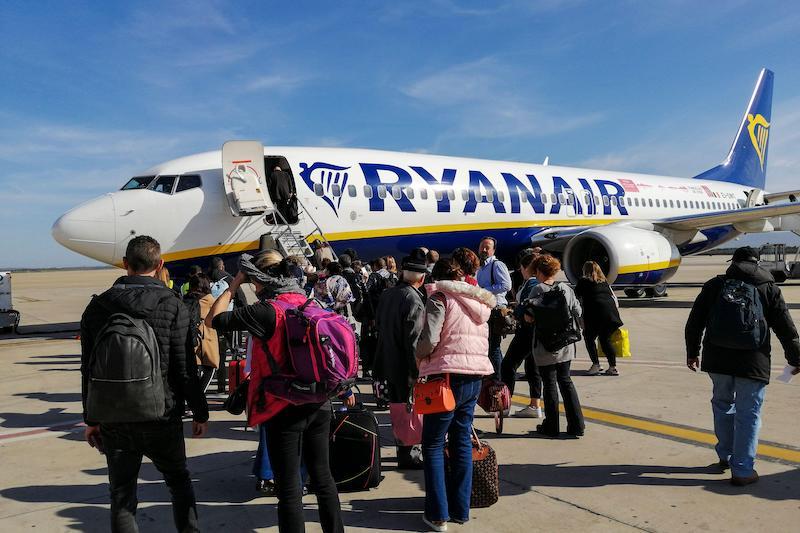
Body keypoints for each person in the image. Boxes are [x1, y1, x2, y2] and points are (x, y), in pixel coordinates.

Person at [207, 250, 351, 533]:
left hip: (282, 406)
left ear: (260, 279)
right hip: (319, 402)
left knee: (288, 488)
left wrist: (235, 282)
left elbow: (214, 318)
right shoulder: (311, 302)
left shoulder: (266, 311)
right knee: (323, 478)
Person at [80, 235, 209, 532]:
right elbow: (184, 367)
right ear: (160, 264)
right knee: (178, 483)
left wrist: (92, 418)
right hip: (161, 414)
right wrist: (200, 412)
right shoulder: (173, 305)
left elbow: (88, 369)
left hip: (115, 418)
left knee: (122, 496)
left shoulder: (98, 307)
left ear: (126, 265)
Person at [685, 246, 800, 486]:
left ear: (733, 262)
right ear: (757, 262)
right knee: (749, 414)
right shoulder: (769, 287)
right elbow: (786, 329)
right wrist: (795, 358)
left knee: (722, 406)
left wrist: (692, 352)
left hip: (718, 358)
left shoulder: (715, 286)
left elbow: (695, 321)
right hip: (753, 360)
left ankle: (725, 456)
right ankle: (743, 470)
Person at [416, 258, 495, 531]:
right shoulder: (479, 303)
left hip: (446, 375)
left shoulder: (440, 297)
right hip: (474, 375)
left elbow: (430, 339)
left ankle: (438, 514)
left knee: (434, 443)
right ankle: (460, 508)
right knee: (461, 439)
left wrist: (418, 356)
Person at [373, 248, 429, 469]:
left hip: (387, 360)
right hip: (405, 364)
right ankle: (410, 454)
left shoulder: (388, 295)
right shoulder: (413, 300)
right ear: (422, 278)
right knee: (411, 410)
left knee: (397, 409)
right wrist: (418, 370)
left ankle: (402, 451)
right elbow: (414, 339)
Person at [525, 254, 585, 438]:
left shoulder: (537, 290)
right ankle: (577, 425)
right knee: (566, 382)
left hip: (545, 344)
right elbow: (578, 311)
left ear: (539, 271)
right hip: (565, 343)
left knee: (549, 384)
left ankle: (552, 426)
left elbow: (529, 316)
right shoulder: (566, 288)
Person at [500, 249, 543, 418]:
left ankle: (506, 403)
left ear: (526, 268)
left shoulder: (531, 283)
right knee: (532, 367)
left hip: (526, 330)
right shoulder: (533, 282)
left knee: (508, 364)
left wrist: (512, 310)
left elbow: (525, 307)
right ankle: (535, 405)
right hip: (534, 331)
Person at [575, 261, 624, 376]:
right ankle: (613, 367)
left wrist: (579, 318)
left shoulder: (583, 281)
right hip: (611, 315)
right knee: (605, 340)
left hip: (595, 315)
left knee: (589, 338)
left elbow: (576, 297)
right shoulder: (604, 282)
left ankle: (596, 364)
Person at [476, 237, 512, 378]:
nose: (484, 250)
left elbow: (506, 285)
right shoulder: (481, 267)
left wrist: (484, 290)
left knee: (494, 348)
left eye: (487, 247)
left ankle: (498, 379)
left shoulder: (497, 265)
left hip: (495, 310)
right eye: (482, 246)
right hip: (484, 310)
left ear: (493, 250)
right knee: (489, 347)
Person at [182, 273, 220, 393]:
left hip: (188, 340)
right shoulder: (210, 301)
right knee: (210, 369)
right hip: (205, 341)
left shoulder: (185, 299)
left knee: (193, 372)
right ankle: (199, 397)